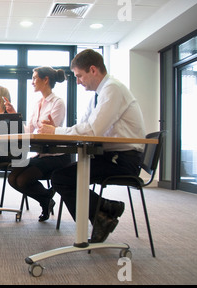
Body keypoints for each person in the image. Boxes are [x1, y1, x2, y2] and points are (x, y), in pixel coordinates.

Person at [43, 49, 146, 242]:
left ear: (93, 70)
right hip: (108, 156)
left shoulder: (112, 89)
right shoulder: (98, 95)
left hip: (123, 160)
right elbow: (83, 126)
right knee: (62, 177)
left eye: (79, 75)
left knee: (62, 178)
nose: (78, 81)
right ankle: (104, 211)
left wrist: (55, 132)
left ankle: (101, 215)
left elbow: (92, 131)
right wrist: (57, 130)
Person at [6, 67, 71, 222]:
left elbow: (48, 131)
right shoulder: (37, 103)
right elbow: (29, 130)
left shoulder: (58, 103)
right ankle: (47, 197)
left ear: (46, 79)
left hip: (57, 156)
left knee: (22, 180)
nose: (32, 82)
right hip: (42, 154)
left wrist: (50, 128)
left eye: (35, 78)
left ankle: (45, 199)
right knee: (12, 178)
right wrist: (15, 114)